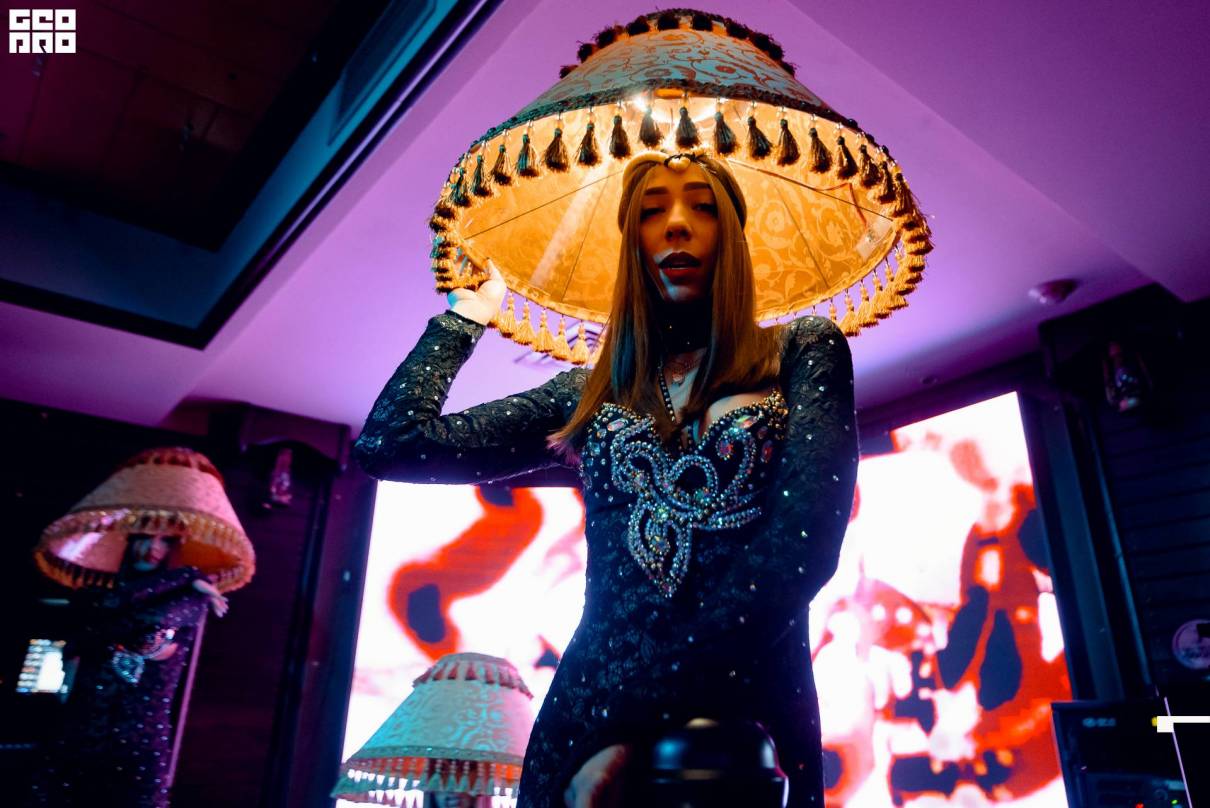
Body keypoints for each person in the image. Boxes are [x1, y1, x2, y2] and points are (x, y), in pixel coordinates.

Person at [354, 149, 858, 807]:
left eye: (703, 207)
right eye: (650, 211)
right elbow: (391, 446)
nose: (676, 224)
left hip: (745, 711)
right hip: (587, 714)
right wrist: (463, 318)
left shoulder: (802, 352)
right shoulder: (587, 395)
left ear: (732, 237)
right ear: (633, 247)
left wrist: (632, 729)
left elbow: (801, 548)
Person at [28, 532, 229, 808]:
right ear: (127, 539)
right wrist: (187, 577)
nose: (154, 547)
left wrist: (186, 577)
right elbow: (90, 629)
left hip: (137, 739)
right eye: (144, 537)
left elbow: (150, 625)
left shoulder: (187, 599)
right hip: (79, 730)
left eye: (166, 540)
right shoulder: (95, 596)